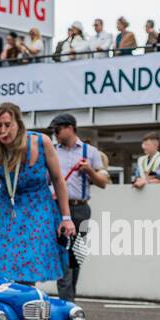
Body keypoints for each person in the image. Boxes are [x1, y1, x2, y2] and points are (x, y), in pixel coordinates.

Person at [0, 101, 73, 284]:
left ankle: (28, 306)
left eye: (8, 125)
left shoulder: (42, 142)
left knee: (27, 263)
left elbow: (58, 180)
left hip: (38, 207)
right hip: (6, 208)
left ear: (19, 124)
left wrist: (66, 217)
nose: (3, 131)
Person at [50, 113, 109, 301]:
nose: (55, 134)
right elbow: (44, 180)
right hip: (58, 209)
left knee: (76, 257)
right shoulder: (52, 151)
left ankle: (69, 297)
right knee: (62, 256)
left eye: (57, 130)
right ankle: (67, 301)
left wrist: (89, 170)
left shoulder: (90, 152)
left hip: (80, 208)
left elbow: (103, 182)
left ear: (69, 128)